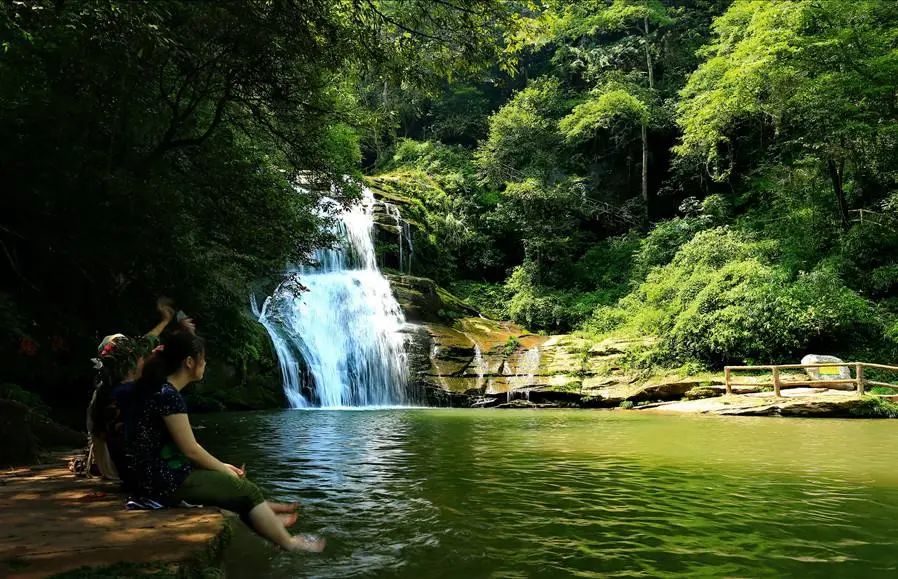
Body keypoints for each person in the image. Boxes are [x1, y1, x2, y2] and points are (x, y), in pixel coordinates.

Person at [130, 330, 325, 552]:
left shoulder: (162, 390)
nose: (206, 363)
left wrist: (223, 467)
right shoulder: (168, 396)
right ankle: (289, 543)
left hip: (153, 475)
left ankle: (268, 523)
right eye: (203, 358)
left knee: (234, 487)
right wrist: (223, 470)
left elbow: (187, 446)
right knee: (247, 490)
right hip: (162, 481)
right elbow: (191, 450)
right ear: (190, 362)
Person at [86, 297, 195, 484]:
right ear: (130, 363)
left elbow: (147, 343)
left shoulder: (105, 391)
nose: (144, 357)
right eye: (138, 355)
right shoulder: (130, 392)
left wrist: (166, 322)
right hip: (125, 472)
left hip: (110, 468)